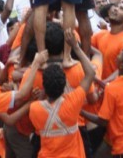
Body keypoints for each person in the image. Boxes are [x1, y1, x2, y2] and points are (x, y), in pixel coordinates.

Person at [29, 29, 96, 158]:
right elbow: (91, 73)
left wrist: (36, 64)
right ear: (64, 85)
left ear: (44, 86)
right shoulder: (73, 101)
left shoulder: (34, 108)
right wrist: (75, 47)